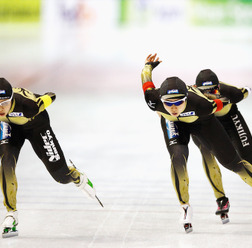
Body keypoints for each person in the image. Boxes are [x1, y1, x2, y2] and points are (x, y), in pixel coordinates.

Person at [141, 54, 252, 233]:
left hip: (203, 122)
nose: (174, 107)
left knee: (233, 163)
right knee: (178, 157)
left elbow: (222, 101)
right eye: (168, 103)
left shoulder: (203, 104)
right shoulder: (153, 100)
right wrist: (148, 66)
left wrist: (239, 93)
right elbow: (146, 82)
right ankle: (184, 206)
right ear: (160, 100)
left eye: (178, 102)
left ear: (186, 98)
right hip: (175, 125)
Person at [0, 78, 100, 238]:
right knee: (6, 161)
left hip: (36, 126)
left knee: (60, 176)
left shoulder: (28, 106)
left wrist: (42, 98)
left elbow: (51, 96)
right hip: (11, 128)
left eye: (4, 103)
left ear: (11, 99)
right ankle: (11, 214)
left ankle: (75, 176)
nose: (0, 108)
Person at [191, 69, 252, 222]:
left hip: (230, 121)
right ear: (196, 89)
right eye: (204, 92)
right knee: (209, 158)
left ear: (219, 87)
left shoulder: (231, 92)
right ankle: (221, 199)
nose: (209, 94)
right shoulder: (190, 95)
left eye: (213, 90)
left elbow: (246, 91)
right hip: (206, 126)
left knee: (248, 158)